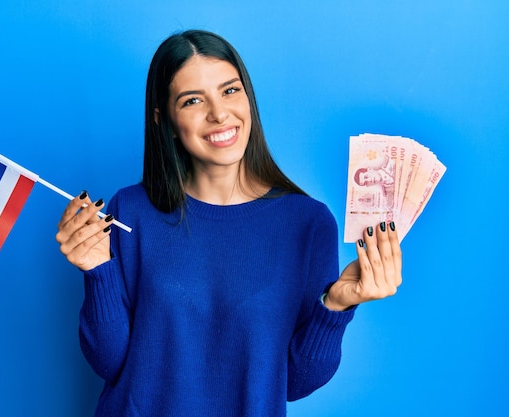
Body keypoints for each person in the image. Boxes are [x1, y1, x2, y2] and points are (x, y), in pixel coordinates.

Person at [56, 29, 402, 417]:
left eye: (230, 91)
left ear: (248, 98)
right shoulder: (130, 211)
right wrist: (97, 271)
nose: (219, 113)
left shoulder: (308, 223)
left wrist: (336, 306)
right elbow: (109, 362)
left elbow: (294, 382)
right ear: (164, 119)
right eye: (192, 100)